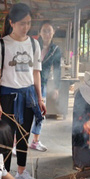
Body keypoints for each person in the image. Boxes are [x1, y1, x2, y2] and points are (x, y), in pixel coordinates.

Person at [0, 4, 45, 179]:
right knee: (6, 138)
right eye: (22, 23)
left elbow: (36, 72)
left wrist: (40, 98)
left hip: (28, 96)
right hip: (7, 97)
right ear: (11, 22)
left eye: (29, 23)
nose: (26, 27)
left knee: (24, 136)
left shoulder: (34, 44)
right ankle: (4, 176)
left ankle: (21, 172)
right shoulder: (1, 44)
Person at [29, 22, 63, 152]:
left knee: (40, 113)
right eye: (44, 31)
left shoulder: (55, 50)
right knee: (22, 114)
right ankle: (16, 142)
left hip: (42, 84)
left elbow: (57, 70)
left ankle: (35, 141)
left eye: (49, 31)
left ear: (53, 32)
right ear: (40, 33)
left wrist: (56, 87)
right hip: (26, 83)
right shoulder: (32, 45)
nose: (47, 34)